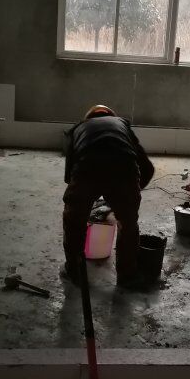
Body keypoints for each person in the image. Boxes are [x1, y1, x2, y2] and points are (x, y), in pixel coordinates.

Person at [62, 104, 154, 288]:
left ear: (88, 118)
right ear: (112, 116)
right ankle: (127, 276)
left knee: (74, 222)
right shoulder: (122, 125)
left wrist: (84, 199)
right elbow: (148, 168)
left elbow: (68, 177)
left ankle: (74, 271)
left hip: (87, 168)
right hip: (124, 170)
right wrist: (129, 197)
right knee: (128, 224)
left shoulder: (78, 128)